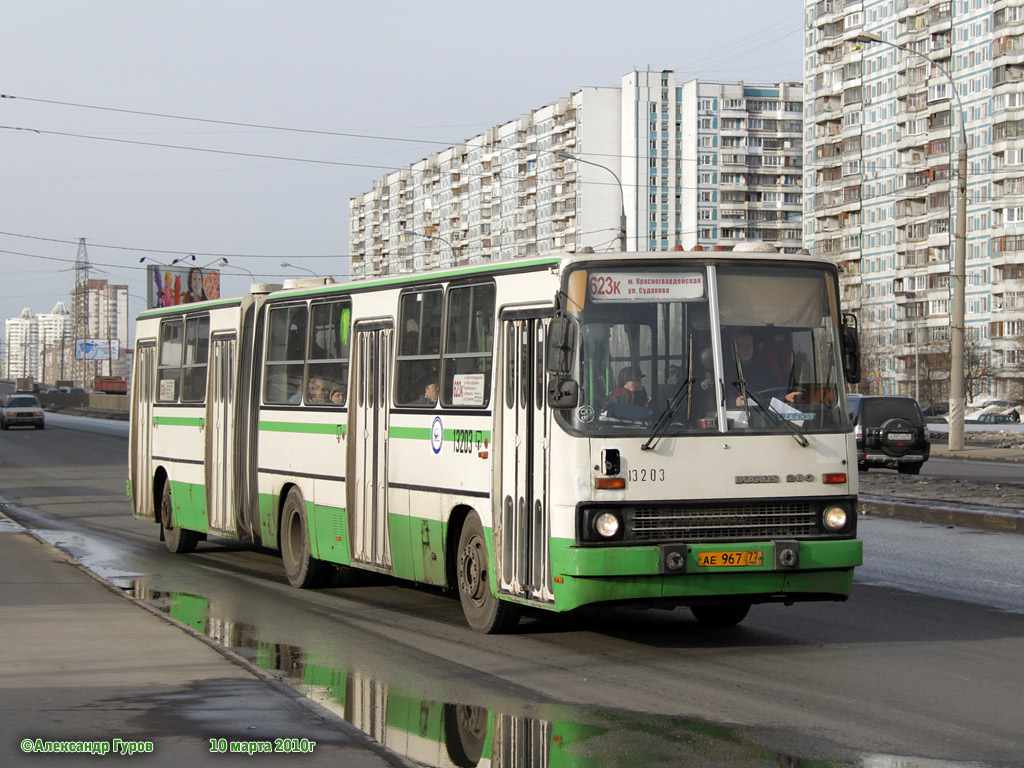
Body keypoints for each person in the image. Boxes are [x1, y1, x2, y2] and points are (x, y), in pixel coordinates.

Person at [728, 329, 801, 406]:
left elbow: (775, 390)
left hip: (764, 414)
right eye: (740, 346)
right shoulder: (724, 369)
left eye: (749, 345)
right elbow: (722, 396)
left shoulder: (762, 367)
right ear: (732, 348)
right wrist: (734, 401)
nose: (746, 349)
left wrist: (785, 397)